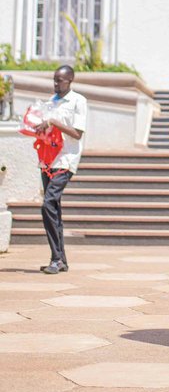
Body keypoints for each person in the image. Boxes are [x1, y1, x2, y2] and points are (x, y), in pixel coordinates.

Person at [35, 65, 87, 274]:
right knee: (54, 208)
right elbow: (46, 129)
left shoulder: (78, 101)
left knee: (48, 204)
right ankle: (60, 260)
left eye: (61, 80)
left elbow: (77, 133)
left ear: (70, 80)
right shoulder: (50, 102)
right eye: (54, 80)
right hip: (48, 160)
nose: (56, 84)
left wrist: (54, 122)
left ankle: (56, 258)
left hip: (66, 160)